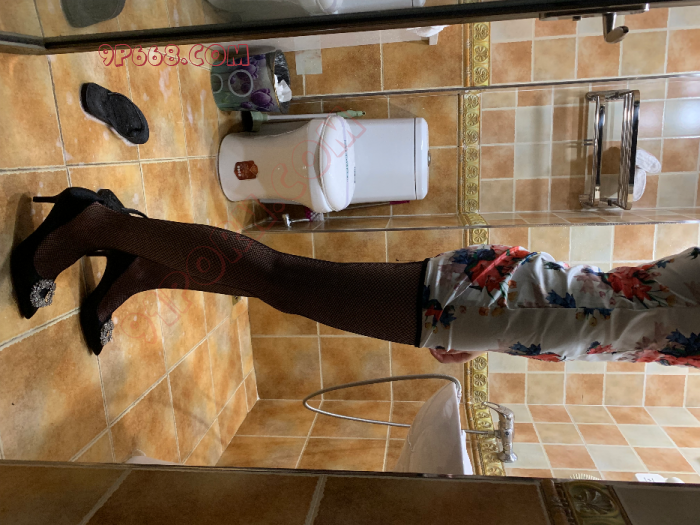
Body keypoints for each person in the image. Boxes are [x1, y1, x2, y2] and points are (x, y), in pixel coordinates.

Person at [11, 187, 700, 369]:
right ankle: (92, 223)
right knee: (278, 276)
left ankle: (137, 265)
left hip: (505, 310)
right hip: (495, 299)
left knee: (278, 285)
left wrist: (491, 338)